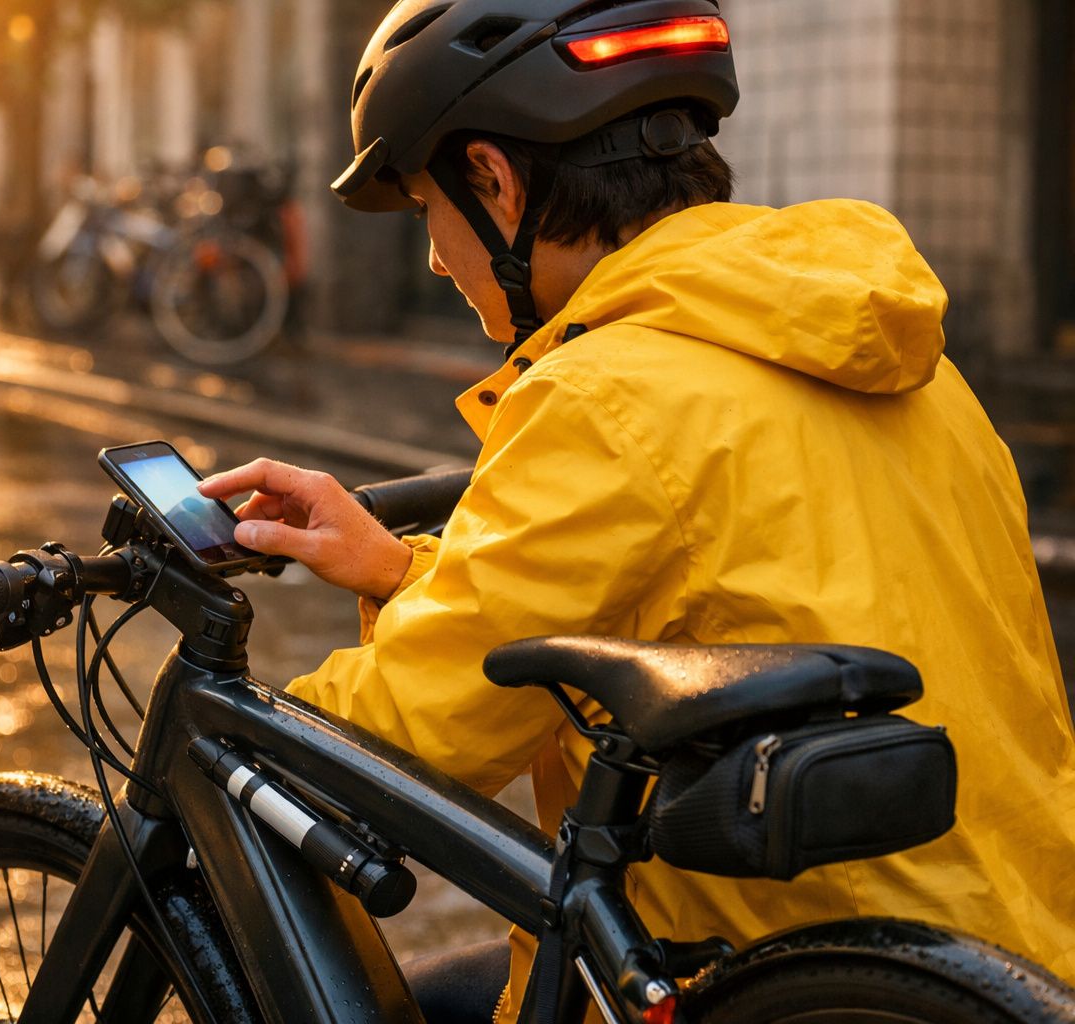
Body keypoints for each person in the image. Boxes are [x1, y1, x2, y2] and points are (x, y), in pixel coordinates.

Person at [198, 1, 1075, 1021]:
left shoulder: (606, 395)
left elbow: (413, 729)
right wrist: (400, 571)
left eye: (431, 209)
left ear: (495, 179)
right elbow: (677, 597)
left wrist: (217, 744)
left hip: (767, 975)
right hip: (999, 961)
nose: (437, 259)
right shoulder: (904, 359)